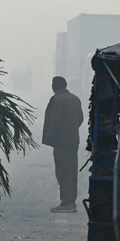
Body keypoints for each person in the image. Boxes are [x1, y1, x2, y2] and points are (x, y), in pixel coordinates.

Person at [42, 76, 84, 213]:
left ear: (53, 87)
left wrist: (50, 137)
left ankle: (67, 202)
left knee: (63, 172)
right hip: (73, 140)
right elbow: (80, 119)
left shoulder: (58, 100)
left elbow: (55, 122)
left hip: (61, 142)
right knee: (71, 170)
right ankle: (71, 200)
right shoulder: (75, 98)